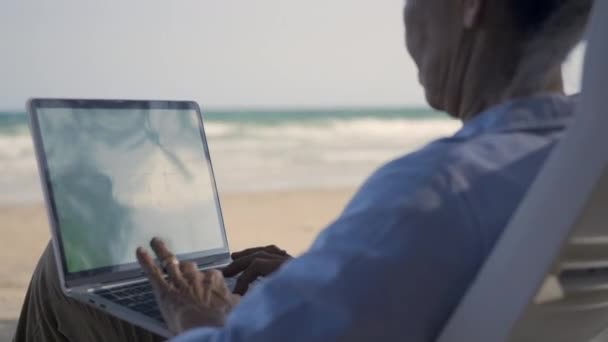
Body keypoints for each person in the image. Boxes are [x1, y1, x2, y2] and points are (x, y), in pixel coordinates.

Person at [13, 0, 594, 341]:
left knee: (60, 278)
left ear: (470, 6)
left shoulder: (436, 188)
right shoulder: (581, 161)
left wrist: (200, 316)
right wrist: (318, 278)